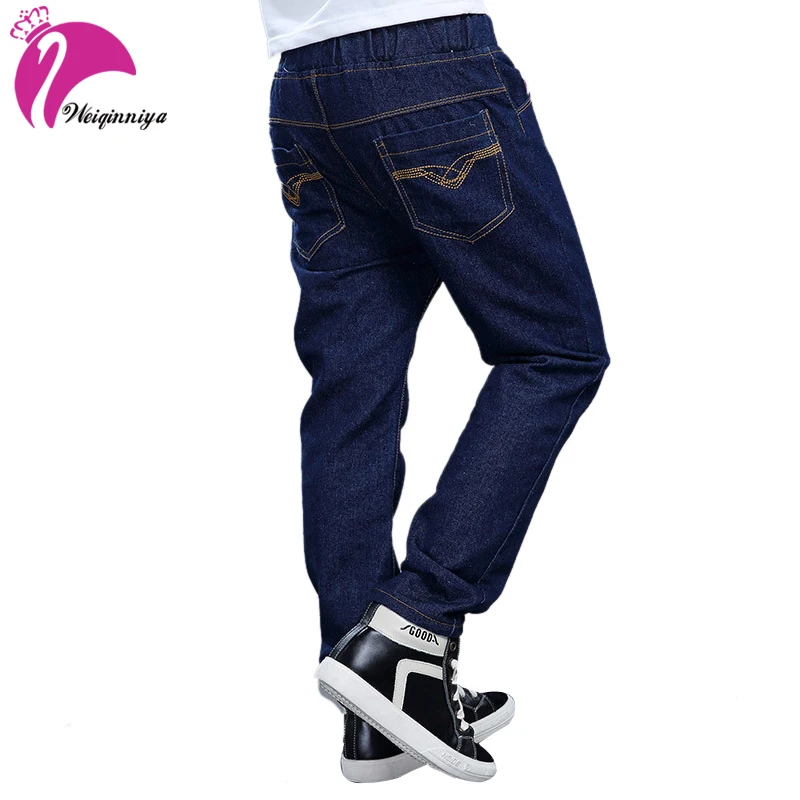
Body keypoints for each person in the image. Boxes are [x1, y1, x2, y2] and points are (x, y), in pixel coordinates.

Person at [259, 0, 610, 783]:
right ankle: (411, 627)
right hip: (428, 66)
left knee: (352, 392)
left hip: (305, 84)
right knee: (555, 350)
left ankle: (375, 704)